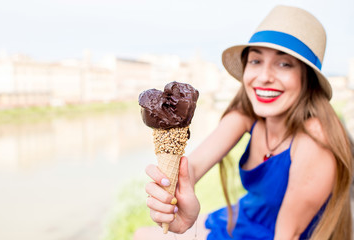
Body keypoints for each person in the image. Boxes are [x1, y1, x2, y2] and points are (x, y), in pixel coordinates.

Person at [135, 5, 353, 240]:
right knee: (142, 234)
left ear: (307, 78)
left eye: (284, 64)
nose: (264, 76)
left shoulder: (315, 139)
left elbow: (288, 235)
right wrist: (178, 190)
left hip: (277, 234)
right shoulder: (249, 114)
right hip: (245, 218)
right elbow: (193, 166)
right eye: (256, 61)